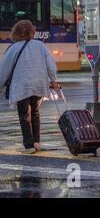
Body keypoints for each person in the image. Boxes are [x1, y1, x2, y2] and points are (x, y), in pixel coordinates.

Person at [0, 20, 60, 154]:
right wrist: (54, 80)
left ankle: (29, 145)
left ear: (15, 32)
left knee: (24, 115)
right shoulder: (40, 45)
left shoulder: (13, 48)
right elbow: (50, 64)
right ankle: (37, 142)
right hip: (39, 84)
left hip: (22, 86)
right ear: (32, 31)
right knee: (35, 113)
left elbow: (4, 69)